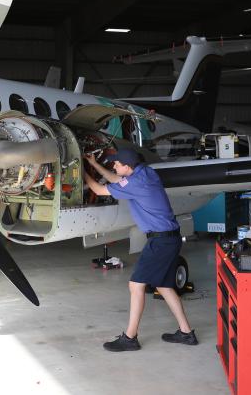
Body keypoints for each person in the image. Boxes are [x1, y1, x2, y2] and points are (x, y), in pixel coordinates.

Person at [83, 148, 198, 352]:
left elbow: (100, 190)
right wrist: (94, 165)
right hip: (169, 237)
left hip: (161, 242)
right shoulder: (144, 172)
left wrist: (81, 171)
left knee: (136, 286)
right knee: (164, 286)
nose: (114, 166)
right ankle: (186, 333)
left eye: (117, 164)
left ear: (128, 167)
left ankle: (130, 338)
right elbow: (118, 180)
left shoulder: (137, 183)